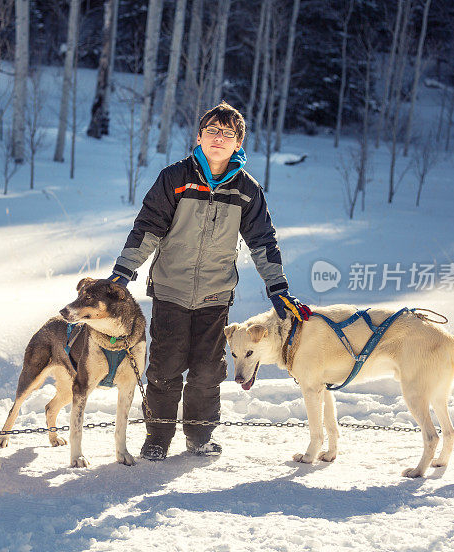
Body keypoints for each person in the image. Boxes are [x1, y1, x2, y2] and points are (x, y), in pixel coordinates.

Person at [109, 102, 310, 460]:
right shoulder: (175, 178)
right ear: (199, 136)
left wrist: (278, 288)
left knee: (207, 370)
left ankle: (200, 437)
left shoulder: (247, 190)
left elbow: (263, 241)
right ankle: (157, 438)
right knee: (165, 368)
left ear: (238, 144)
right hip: (171, 290)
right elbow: (148, 229)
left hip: (216, 296)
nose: (219, 138)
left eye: (228, 133)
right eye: (212, 131)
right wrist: (124, 273)